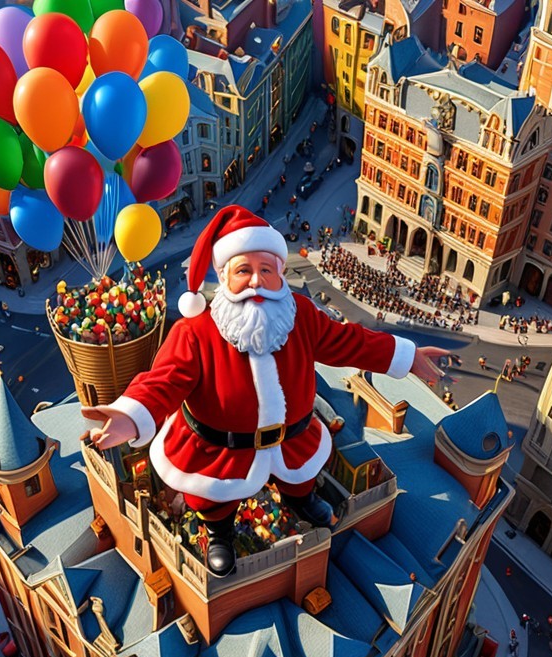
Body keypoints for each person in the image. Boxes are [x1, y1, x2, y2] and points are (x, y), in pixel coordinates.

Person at [82, 205, 450, 576]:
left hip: (293, 439)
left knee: (300, 476)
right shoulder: (196, 332)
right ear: (223, 276)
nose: (256, 281)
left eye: (265, 270)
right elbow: (163, 380)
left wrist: (405, 355)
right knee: (212, 497)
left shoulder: (301, 315)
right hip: (218, 449)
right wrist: (131, 415)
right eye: (244, 270)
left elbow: (348, 342)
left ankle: (302, 499)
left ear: (281, 275)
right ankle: (220, 533)